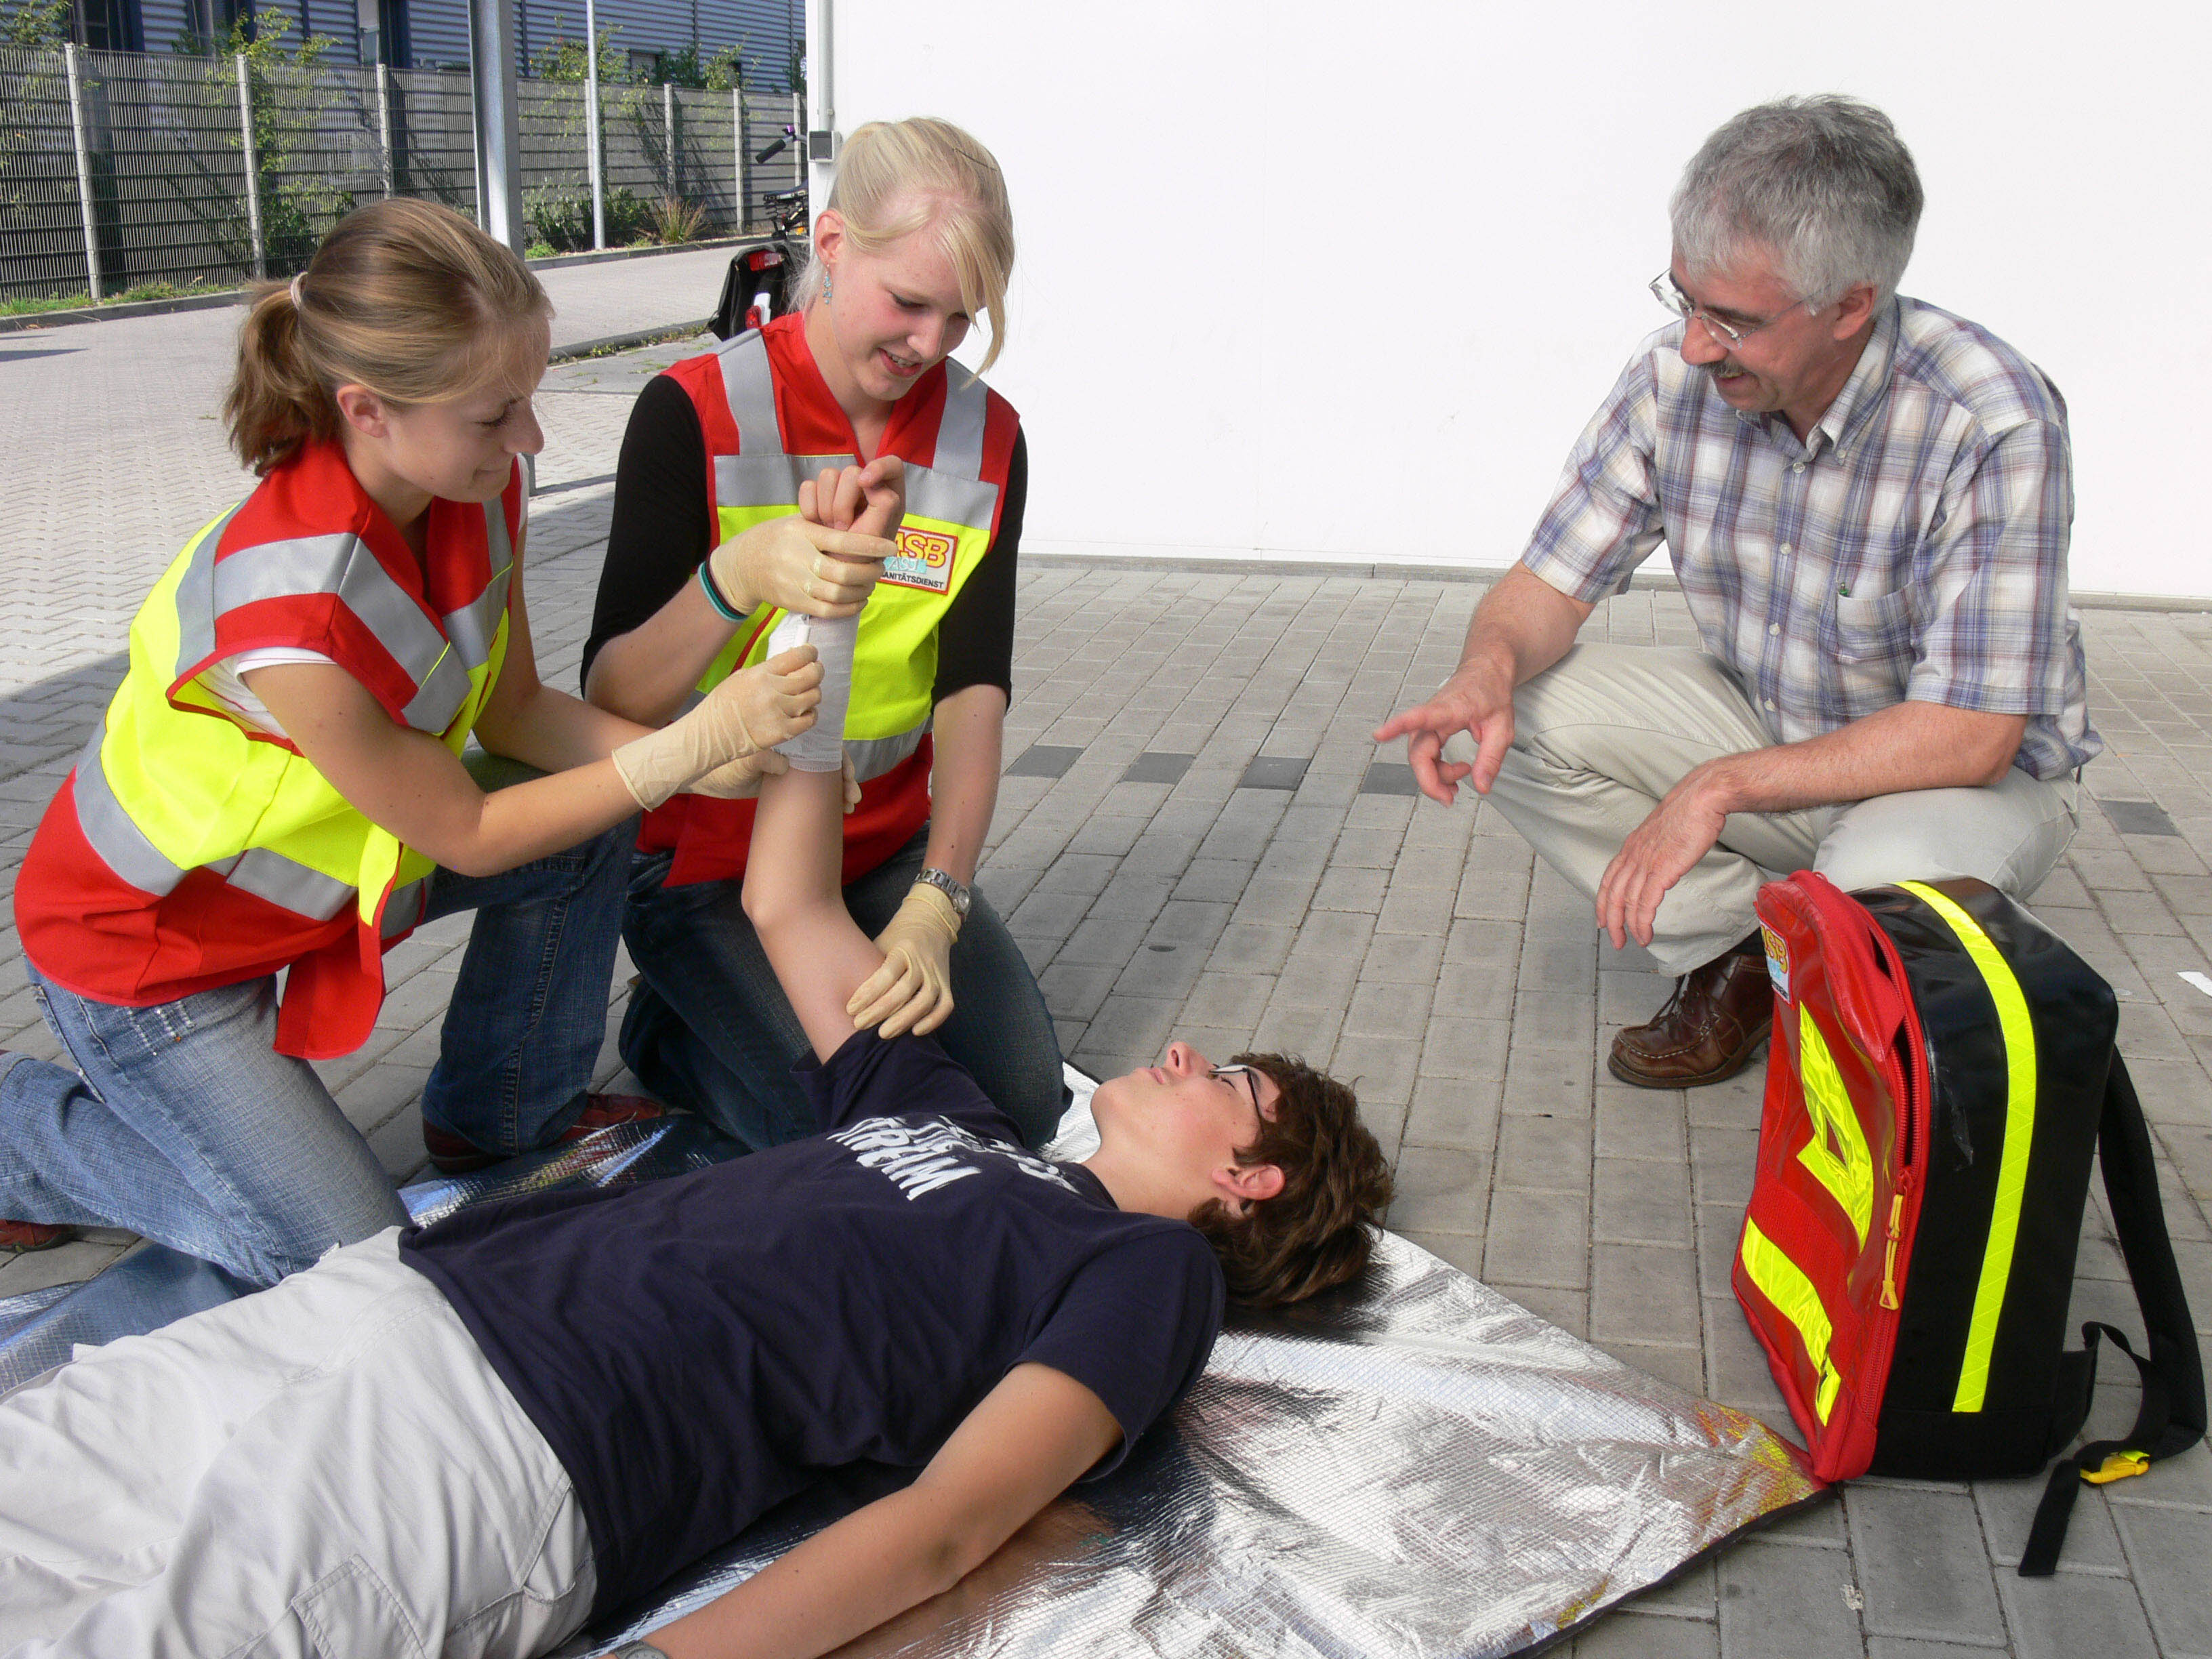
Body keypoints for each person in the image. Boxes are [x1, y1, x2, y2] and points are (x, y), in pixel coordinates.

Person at [0, 623, 1395, 1658]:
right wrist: (822, 633)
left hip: (526, 1450)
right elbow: (790, 908)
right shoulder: (955, 1118)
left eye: (1227, 1077)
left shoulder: (1149, 1280)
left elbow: (951, 1524)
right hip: (414, 1300)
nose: (1175, 1053)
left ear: (1248, 1178)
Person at [0, 198, 826, 1284]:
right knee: (342, 1262)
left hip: (303, 903)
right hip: (151, 959)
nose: (530, 438)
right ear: (368, 410)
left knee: (586, 827)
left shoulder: (473, 482)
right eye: (498, 414)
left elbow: (518, 715)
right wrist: (680, 747)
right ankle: (26, 1137)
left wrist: (697, 756)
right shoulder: (288, 614)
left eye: (527, 400)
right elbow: (473, 830)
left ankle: (501, 1124)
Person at [1378, 96, 2093, 1090]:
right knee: (1520, 710)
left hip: (1960, 776)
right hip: (1774, 725)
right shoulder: (1672, 377)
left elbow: (1976, 733)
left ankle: (1822, 953)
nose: (1697, 346)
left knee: (1857, 911)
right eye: (1685, 300)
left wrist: (1714, 788)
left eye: (1735, 322)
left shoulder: (1990, 419)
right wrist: (1484, 670)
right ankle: (1730, 954)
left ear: (1852, 305)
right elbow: (1548, 581)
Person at [582, 115, 1067, 1155]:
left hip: (882, 852)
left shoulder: (989, 439)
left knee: (1023, 1110)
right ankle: (670, 1025)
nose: (930, 345)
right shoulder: (693, 412)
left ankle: (721, 1011)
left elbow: (975, 690)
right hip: (703, 867)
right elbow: (614, 691)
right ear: (835, 245)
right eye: (908, 303)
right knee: (853, 1139)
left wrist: (940, 899)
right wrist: (733, 577)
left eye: (962, 318)